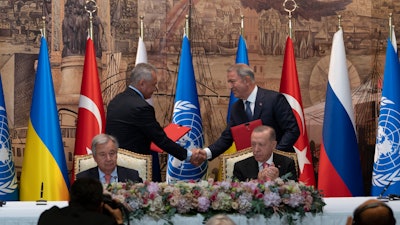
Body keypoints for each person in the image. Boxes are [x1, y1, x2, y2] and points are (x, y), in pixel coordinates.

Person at [105, 63, 202, 182]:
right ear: (142, 83)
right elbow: (160, 139)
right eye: (153, 85)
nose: (154, 90)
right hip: (135, 171)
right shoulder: (142, 107)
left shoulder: (115, 101)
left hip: (114, 169)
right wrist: (188, 155)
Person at [195, 63, 300, 164]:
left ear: (247, 80)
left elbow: (292, 130)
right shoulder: (236, 108)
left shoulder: (273, 99)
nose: (229, 87)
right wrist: (205, 153)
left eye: (232, 81)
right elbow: (227, 138)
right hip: (252, 168)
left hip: (281, 164)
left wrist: (274, 155)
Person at [37, 178, 124, 225]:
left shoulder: (48, 217)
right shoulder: (104, 222)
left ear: (70, 197)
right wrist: (119, 221)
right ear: (99, 203)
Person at [233, 125, 297, 181]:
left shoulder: (287, 164)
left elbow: (295, 193)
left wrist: (277, 181)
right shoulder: (240, 167)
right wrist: (258, 182)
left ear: (273, 145)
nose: (256, 149)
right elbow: (235, 193)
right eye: (253, 144)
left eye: (261, 144)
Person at [76, 134, 143, 184]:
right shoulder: (83, 179)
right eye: (103, 155)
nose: (108, 159)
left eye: (112, 153)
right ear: (95, 157)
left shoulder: (132, 176)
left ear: (116, 154)